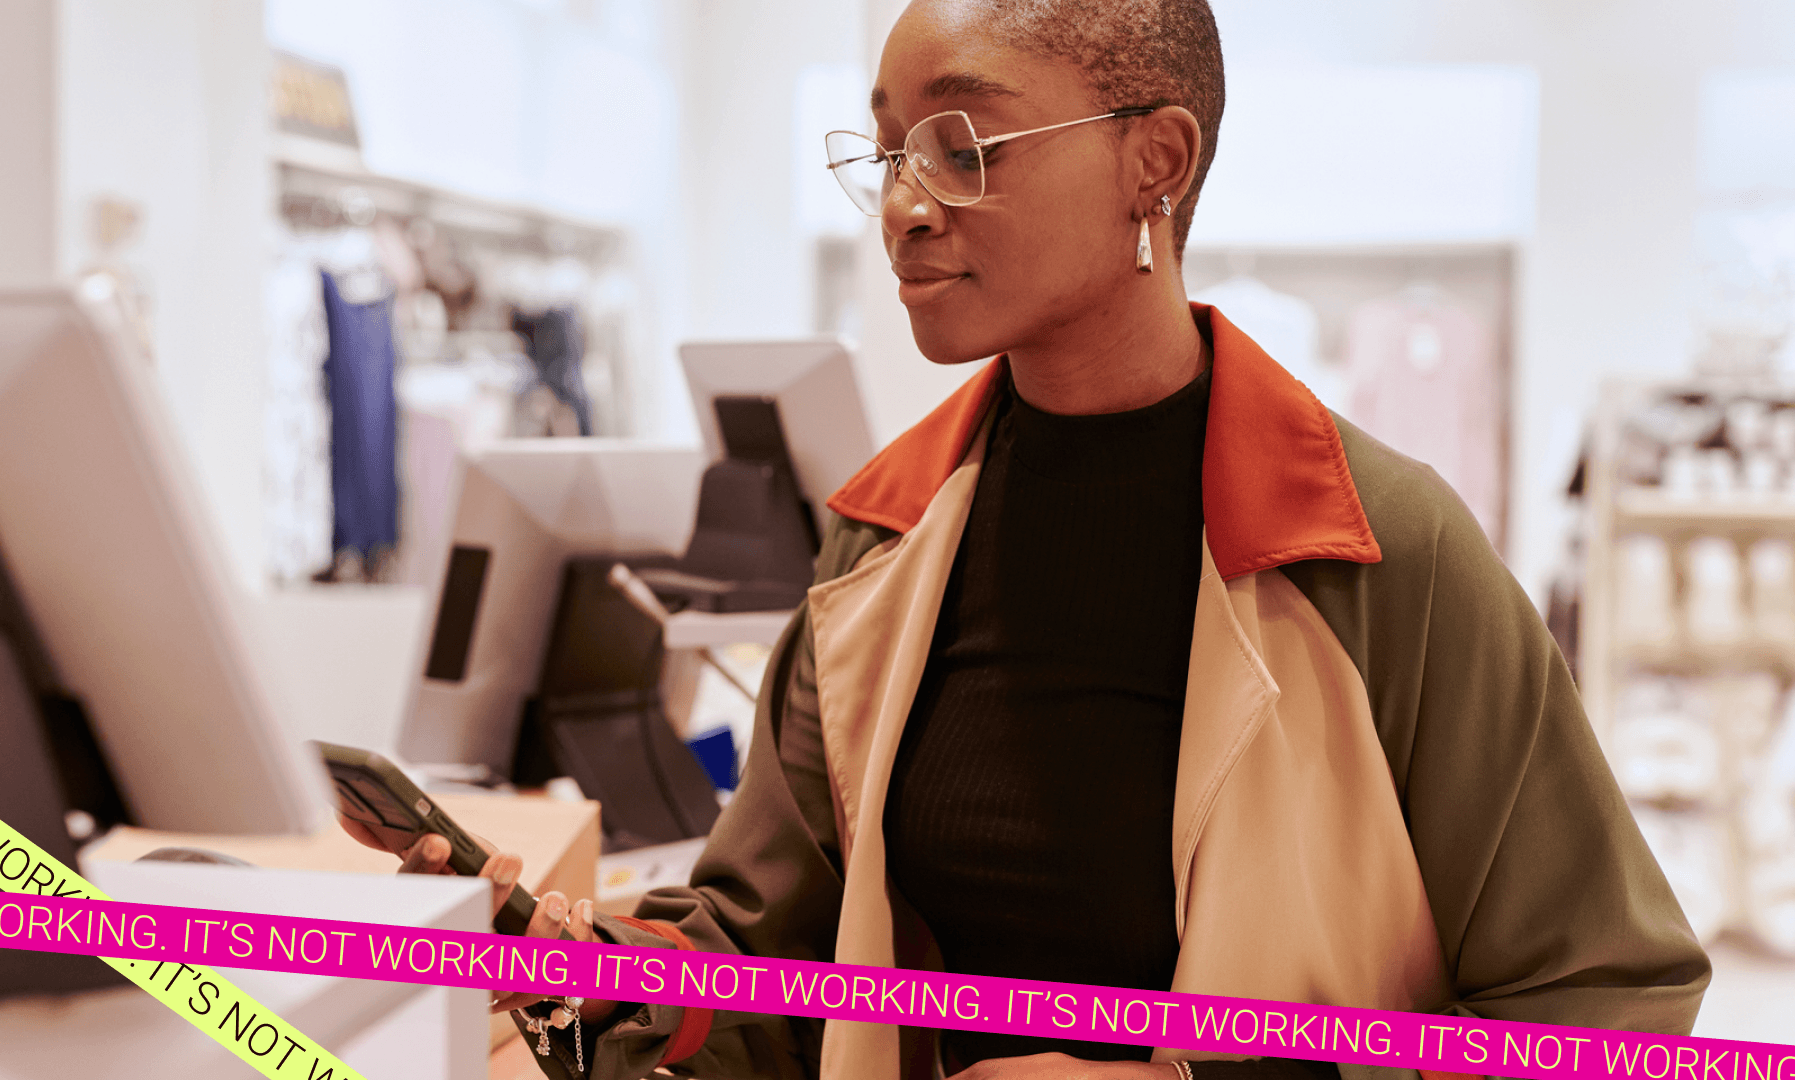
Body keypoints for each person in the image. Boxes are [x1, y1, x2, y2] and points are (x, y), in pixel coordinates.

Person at [342, 1, 1710, 1077]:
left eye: (963, 146)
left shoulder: (1382, 554)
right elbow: (778, 970)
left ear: (1154, 163)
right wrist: (601, 979)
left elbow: (1606, 1005)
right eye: (888, 149)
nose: (903, 202)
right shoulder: (879, 543)